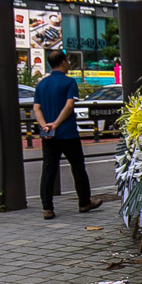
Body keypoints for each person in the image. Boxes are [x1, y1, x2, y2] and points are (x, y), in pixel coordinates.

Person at [33, 50, 97, 219]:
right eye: (67, 61)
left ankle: (47, 207)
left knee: (48, 169)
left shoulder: (41, 84)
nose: (69, 64)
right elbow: (69, 106)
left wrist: (46, 126)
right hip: (68, 133)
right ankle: (84, 202)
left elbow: (36, 108)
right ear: (62, 62)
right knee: (77, 167)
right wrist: (57, 123)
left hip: (49, 135)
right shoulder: (69, 83)